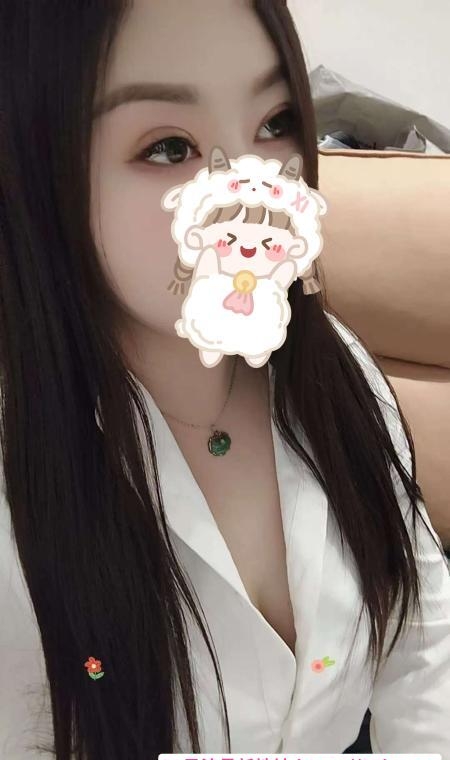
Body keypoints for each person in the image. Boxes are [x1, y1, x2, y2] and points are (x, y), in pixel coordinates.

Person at [0, 1, 449, 758]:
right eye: (168, 146)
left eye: (276, 123)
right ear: (41, 173)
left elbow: (422, 631)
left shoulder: (335, 365)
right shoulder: (20, 478)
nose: (254, 191)